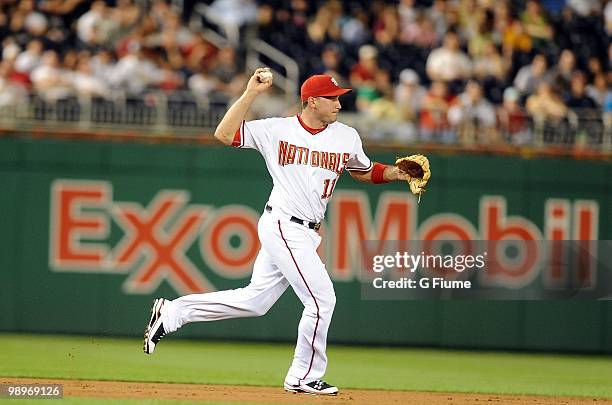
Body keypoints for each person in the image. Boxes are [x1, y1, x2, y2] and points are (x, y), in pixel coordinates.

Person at [143, 69, 411, 395]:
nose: (339, 103)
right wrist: (250, 93)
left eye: (339, 97)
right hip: (284, 224)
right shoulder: (276, 130)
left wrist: (397, 173)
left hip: (307, 232)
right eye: (332, 98)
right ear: (311, 101)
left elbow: (364, 171)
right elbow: (224, 134)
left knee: (256, 301)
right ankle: (303, 376)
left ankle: (173, 311)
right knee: (322, 299)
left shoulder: (346, 136)